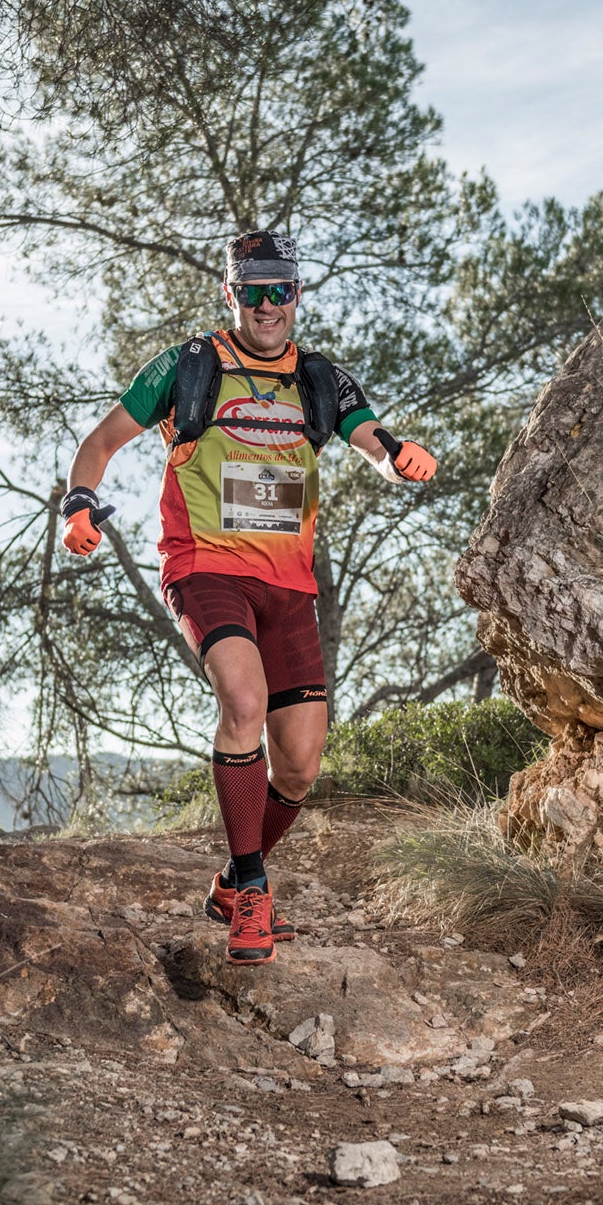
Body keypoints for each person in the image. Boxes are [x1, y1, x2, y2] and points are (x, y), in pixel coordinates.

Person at [61, 229, 436, 965]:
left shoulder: (321, 379)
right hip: (205, 566)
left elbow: (373, 441)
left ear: (296, 295)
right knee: (243, 701)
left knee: (298, 764)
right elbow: (101, 442)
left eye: (281, 291)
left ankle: (234, 877)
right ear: (231, 295)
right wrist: (78, 503)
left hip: (289, 584)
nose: (268, 306)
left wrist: (401, 459)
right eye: (253, 292)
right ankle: (256, 897)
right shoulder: (188, 366)